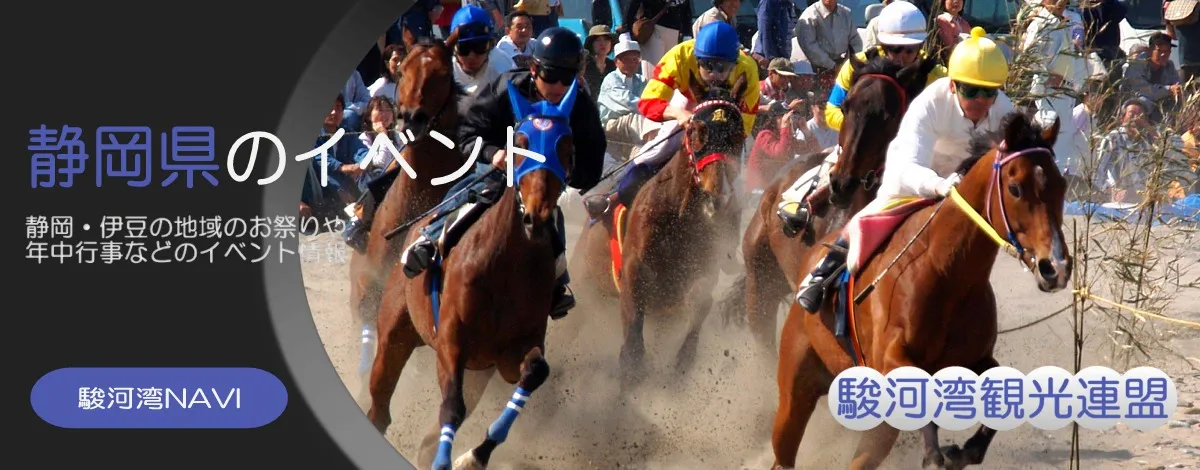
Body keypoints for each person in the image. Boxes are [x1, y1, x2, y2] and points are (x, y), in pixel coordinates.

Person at [793, 27, 1017, 313]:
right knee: (870, 218)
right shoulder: (928, 103)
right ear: (952, 85)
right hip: (912, 176)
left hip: (961, 184)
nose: (980, 101)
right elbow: (911, 166)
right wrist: (940, 186)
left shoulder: (1005, 111)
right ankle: (822, 273)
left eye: (988, 93)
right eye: (970, 90)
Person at [398, 27, 607, 320]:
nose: (559, 85)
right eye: (551, 75)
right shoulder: (505, 87)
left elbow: (592, 163)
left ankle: (557, 284)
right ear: (534, 70)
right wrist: (492, 153)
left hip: (543, 181)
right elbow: (469, 132)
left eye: (567, 78)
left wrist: (567, 172)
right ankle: (428, 238)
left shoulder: (581, 106)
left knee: (554, 214)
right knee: (478, 188)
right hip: (497, 169)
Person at [775, 1, 947, 237]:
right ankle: (803, 205)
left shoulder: (936, 75)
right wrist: (859, 129)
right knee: (837, 162)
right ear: (882, 43)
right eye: (894, 49)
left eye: (909, 50)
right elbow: (832, 110)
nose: (901, 57)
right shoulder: (855, 66)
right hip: (864, 145)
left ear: (920, 46)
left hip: (915, 152)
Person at [582, 21, 760, 218]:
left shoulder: (748, 69)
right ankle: (612, 196)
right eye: (708, 66)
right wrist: (678, 114)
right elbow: (647, 103)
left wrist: (721, 140)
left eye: (723, 67)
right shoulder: (678, 57)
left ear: (735, 63)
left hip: (726, 117)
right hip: (688, 101)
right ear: (697, 58)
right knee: (656, 151)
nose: (715, 74)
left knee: (737, 183)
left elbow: (745, 124)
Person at [597, 38, 662, 152]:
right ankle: (652, 151)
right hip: (610, 124)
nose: (632, 64)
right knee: (637, 119)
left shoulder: (641, 80)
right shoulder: (611, 79)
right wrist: (655, 107)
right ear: (616, 61)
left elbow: (649, 98)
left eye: (635, 60)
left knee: (649, 119)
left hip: (631, 122)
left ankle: (652, 149)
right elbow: (627, 102)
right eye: (626, 60)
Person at [450, 5, 518, 95]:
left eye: (479, 47)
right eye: (464, 48)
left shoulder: (504, 67)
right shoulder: (441, 68)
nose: (471, 56)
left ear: (491, 46)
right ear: (453, 48)